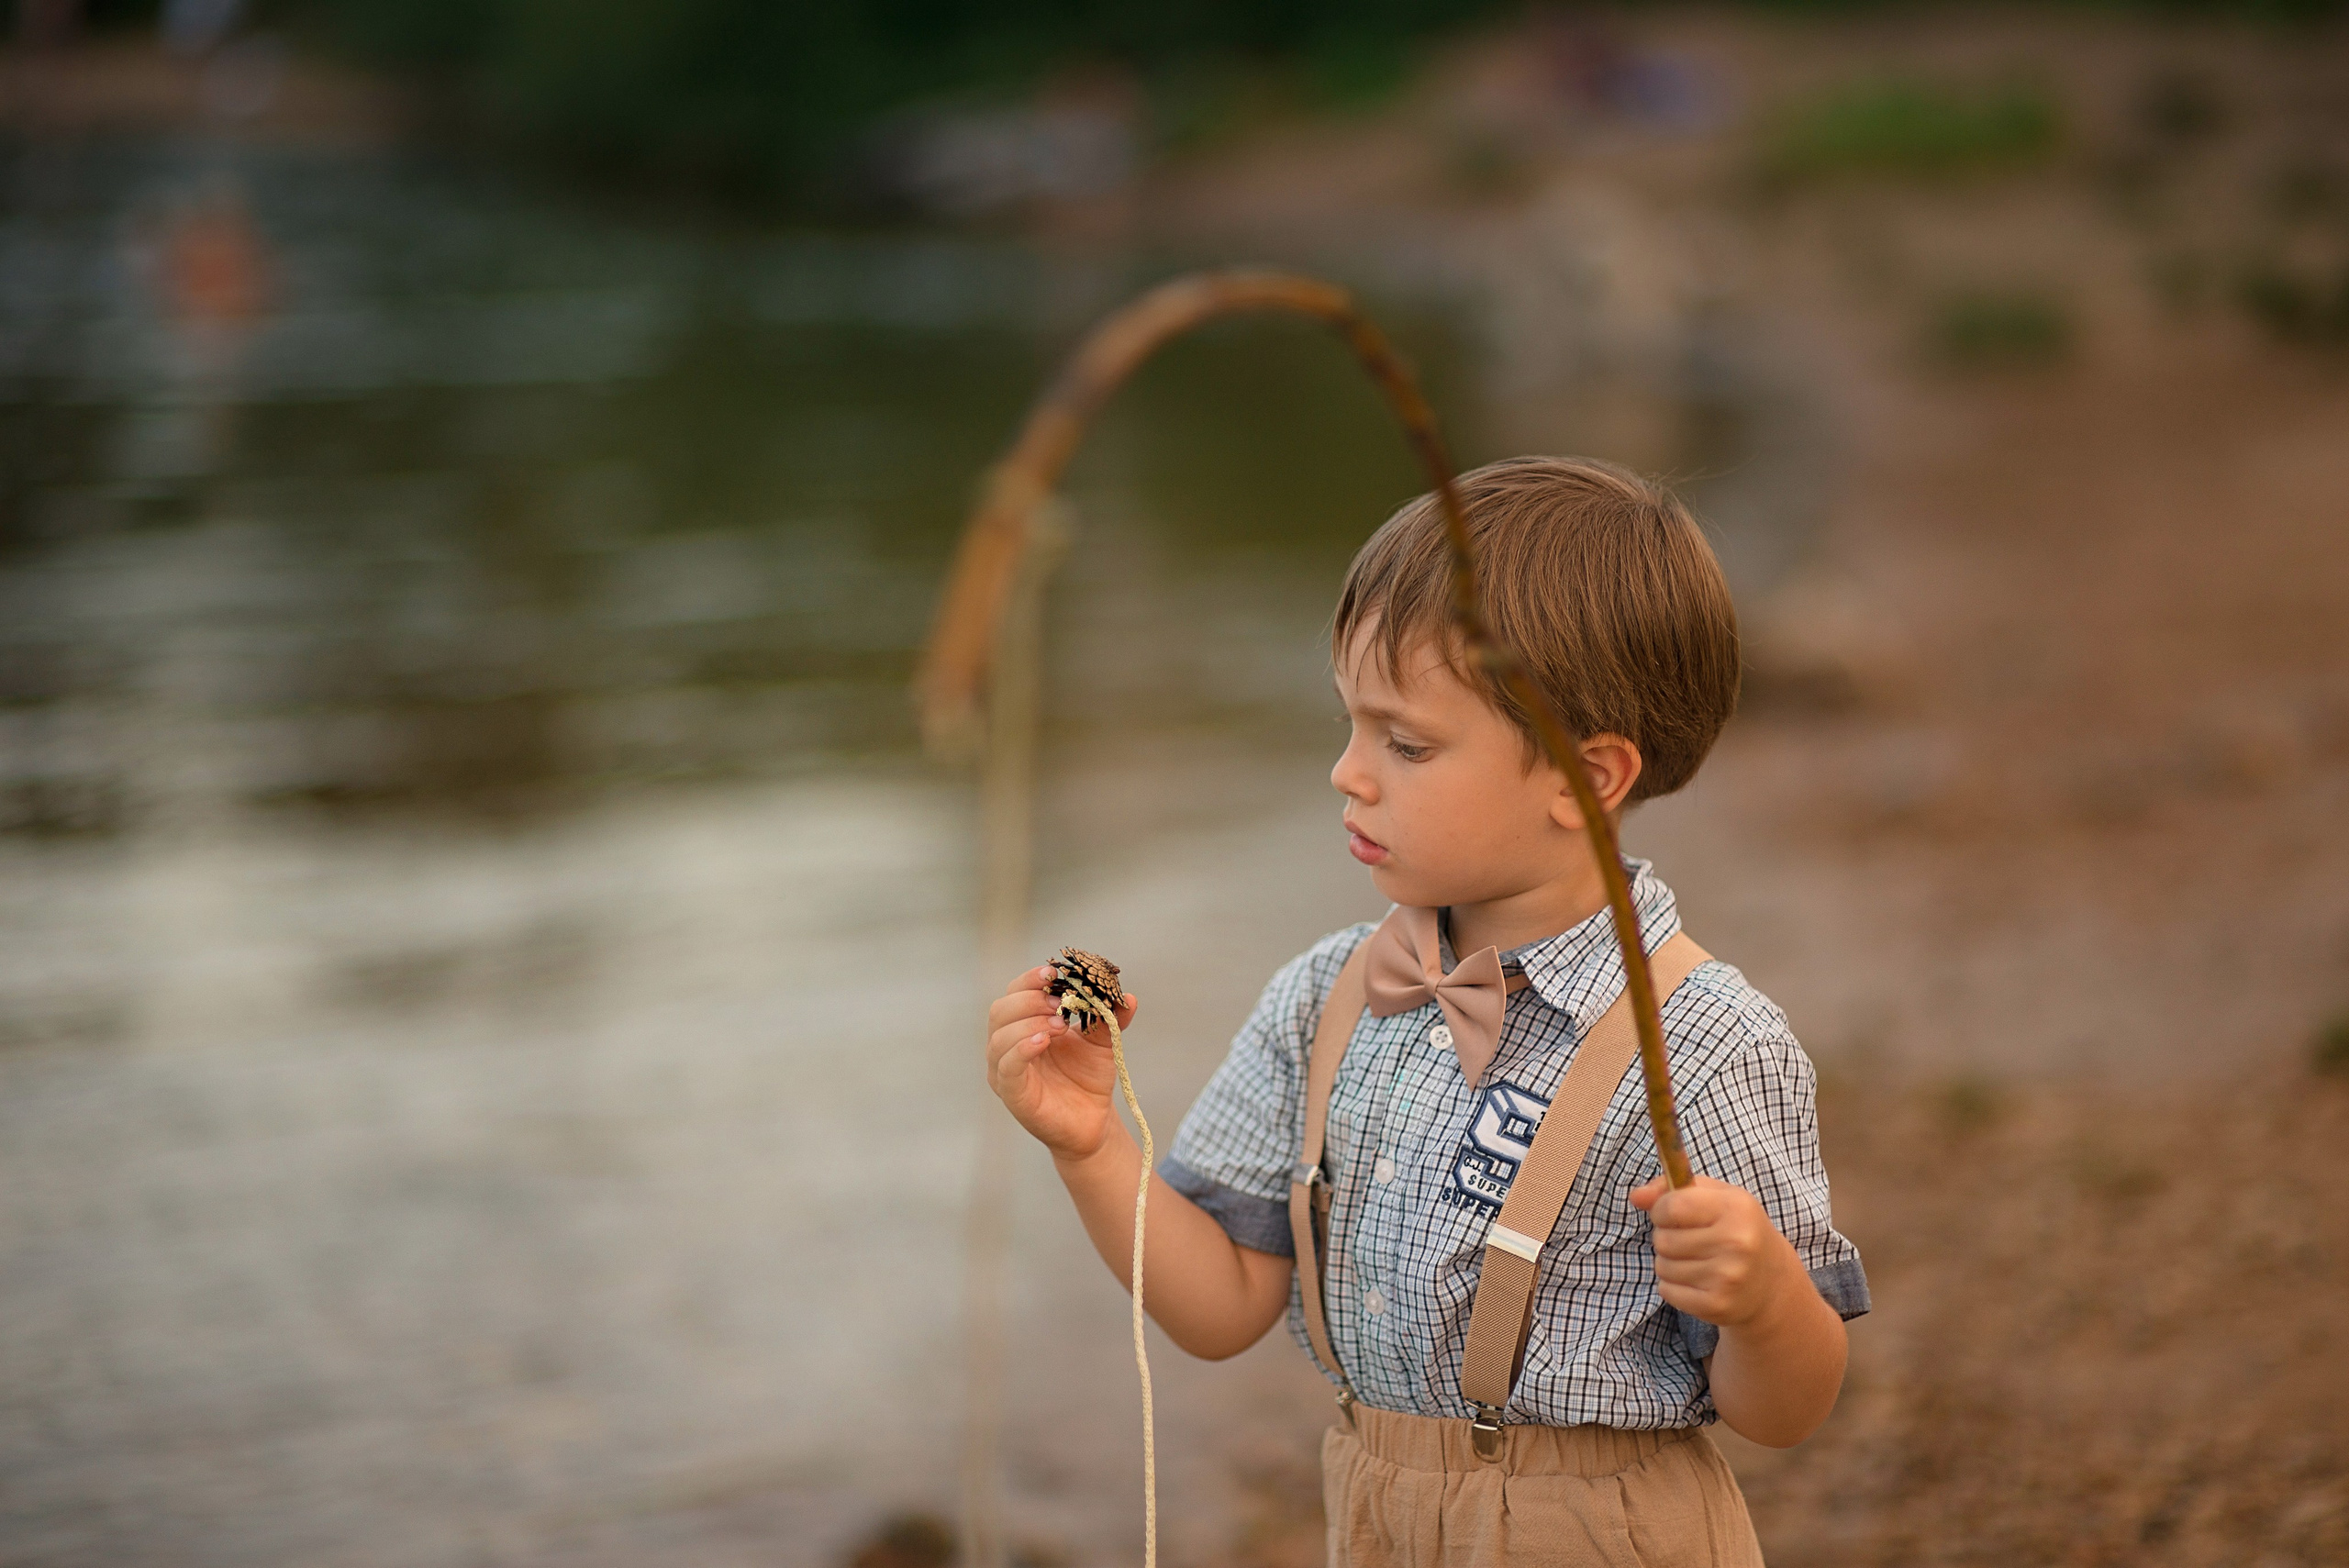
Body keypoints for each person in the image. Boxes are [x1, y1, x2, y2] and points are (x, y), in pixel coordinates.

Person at [984, 456, 1868, 1564]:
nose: (1348, 774)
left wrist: (1763, 1297)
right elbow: (1220, 1309)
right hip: (1374, 1512)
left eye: (1405, 743)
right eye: (1351, 724)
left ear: (1584, 778)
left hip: (1601, 1529)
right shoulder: (1325, 994)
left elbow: (1784, 1407)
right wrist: (1092, 1143)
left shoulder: (1704, 1043)